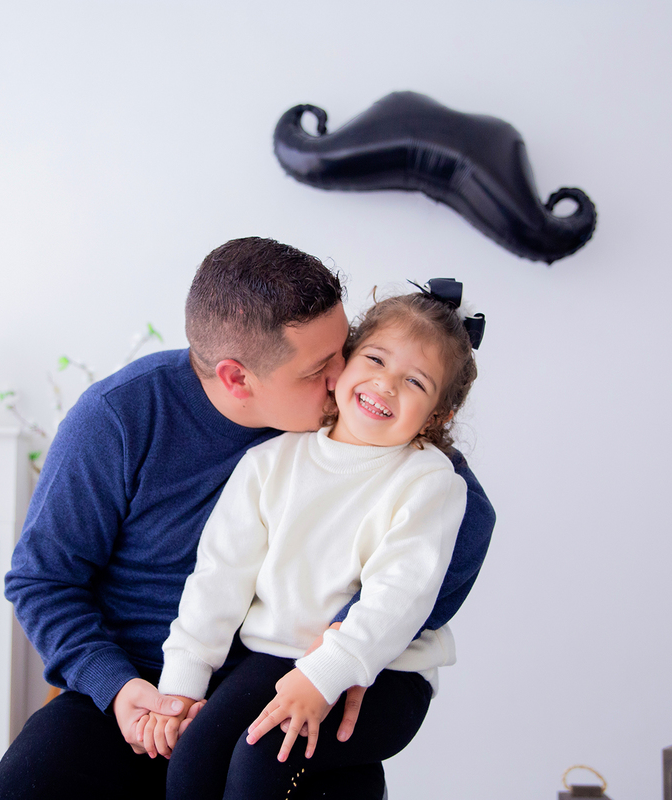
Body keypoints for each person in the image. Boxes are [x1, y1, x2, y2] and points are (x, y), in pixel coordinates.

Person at [0, 238, 495, 799]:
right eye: (319, 368)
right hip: (146, 683)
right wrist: (118, 686)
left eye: (343, 348)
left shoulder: (372, 434)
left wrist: (340, 647)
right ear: (237, 379)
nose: (344, 377)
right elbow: (43, 579)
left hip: (284, 677)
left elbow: (466, 522)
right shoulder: (121, 418)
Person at [139, 282, 481, 799]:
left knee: (263, 762)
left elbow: (400, 595)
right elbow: (218, 579)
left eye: (414, 381)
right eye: (375, 359)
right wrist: (182, 685)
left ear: (437, 417)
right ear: (342, 363)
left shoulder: (428, 481)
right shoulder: (269, 463)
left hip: (385, 672)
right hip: (273, 659)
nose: (385, 385)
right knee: (193, 762)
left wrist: (326, 676)